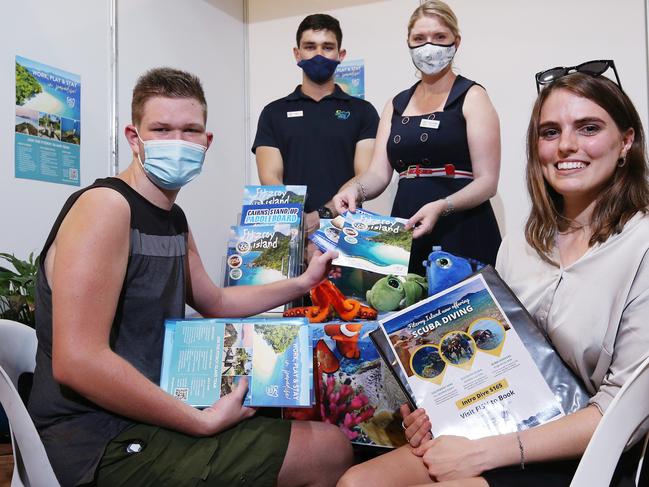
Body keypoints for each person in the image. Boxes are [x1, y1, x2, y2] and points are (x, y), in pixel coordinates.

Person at [27, 67, 353, 487]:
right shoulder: (106, 207)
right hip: (98, 441)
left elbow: (215, 301)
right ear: (134, 137)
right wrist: (200, 422)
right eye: (160, 129)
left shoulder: (172, 218)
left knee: (301, 414)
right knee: (330, 448)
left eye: (189, 130)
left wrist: (304, 281)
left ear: (206, 141)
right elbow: (78, 362)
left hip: (148, 413)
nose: (177, 143)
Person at [336, 63, 649, 487]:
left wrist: (484, 452)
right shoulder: (524, 240)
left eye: (588, 128)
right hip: (505, 425)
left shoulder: (641, 245)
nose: (566, 146)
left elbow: (621, 412)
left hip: (593, 451)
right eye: (550, 132)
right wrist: (432, 408)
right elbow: (493, 355)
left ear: (626, 141)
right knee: (357, 482)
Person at [333, 1, 501, 275]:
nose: (429, 46)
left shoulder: (472, 96)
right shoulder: (396, 104)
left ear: (456, 42)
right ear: (409, 43)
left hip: (464, 228)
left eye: (439, 37)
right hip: (409, 228)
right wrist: (354, 190)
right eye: (419, 39)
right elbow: (377, 173)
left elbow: (487, 182)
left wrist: (442, 207)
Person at [252, 13, 379, 237]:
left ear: (340, 55)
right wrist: (298, 220)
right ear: (297, 53)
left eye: (327, 47)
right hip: (291, 231)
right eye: (310, 46)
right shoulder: (273, 113)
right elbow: (270, 176)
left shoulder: (363, 112)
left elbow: (366, 174)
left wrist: (322, 214)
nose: (319, 54)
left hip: (345, 229)